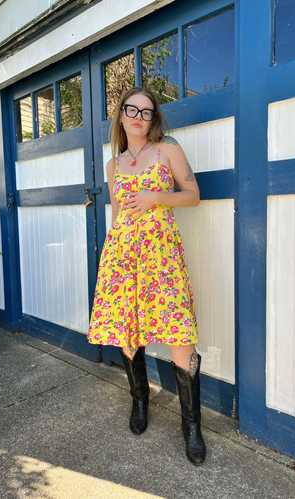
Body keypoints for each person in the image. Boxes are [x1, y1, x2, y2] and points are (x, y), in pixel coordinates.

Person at [86, 86, 206, 465]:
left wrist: (158, 197)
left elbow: (192, 194)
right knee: (127, 333)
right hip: (123, 255)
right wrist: (111, 256)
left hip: (161, 254)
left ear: (154, 119)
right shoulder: (113, 164)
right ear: (120, 115)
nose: (139, 117)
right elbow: (118, 213)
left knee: (178, 334)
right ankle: (140, 401)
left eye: (147, 112)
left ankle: (192, 425)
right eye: (131, 110)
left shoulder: (167, 149)